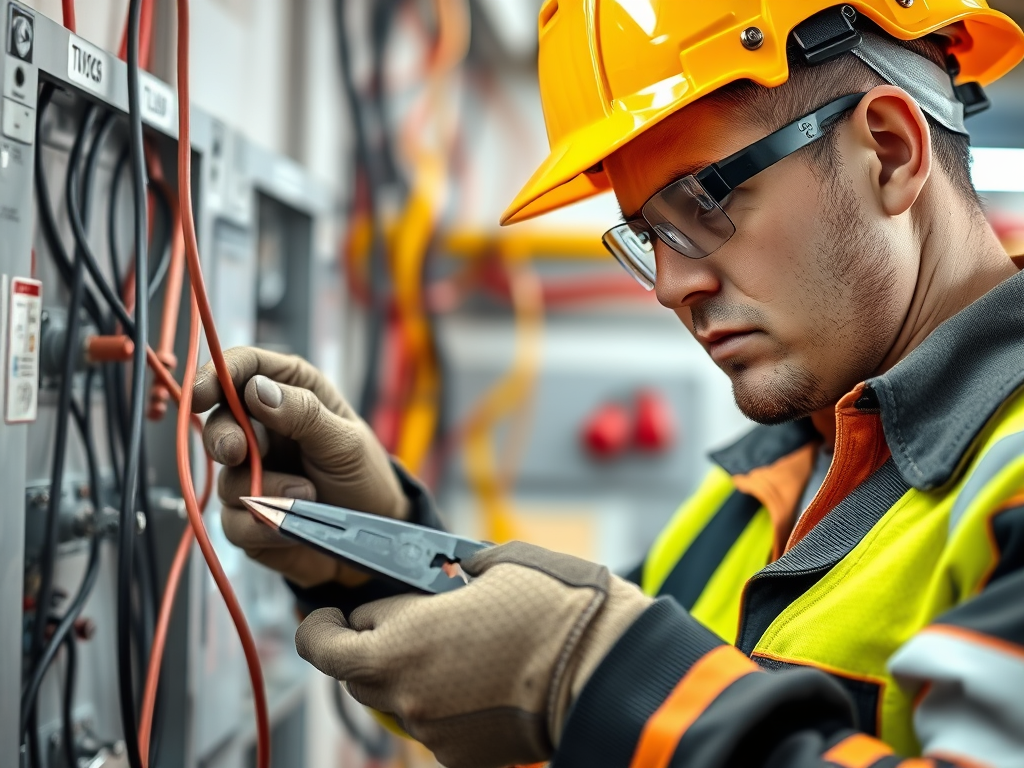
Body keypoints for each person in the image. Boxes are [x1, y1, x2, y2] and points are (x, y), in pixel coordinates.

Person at [192, 2, 1024, 767]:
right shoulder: (772, 480)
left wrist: (588, 673)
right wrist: (380, 554)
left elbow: (607, 690)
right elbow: (583, 729)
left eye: (705, 201)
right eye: (647, 237)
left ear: (889, 150)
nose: (670, 288)